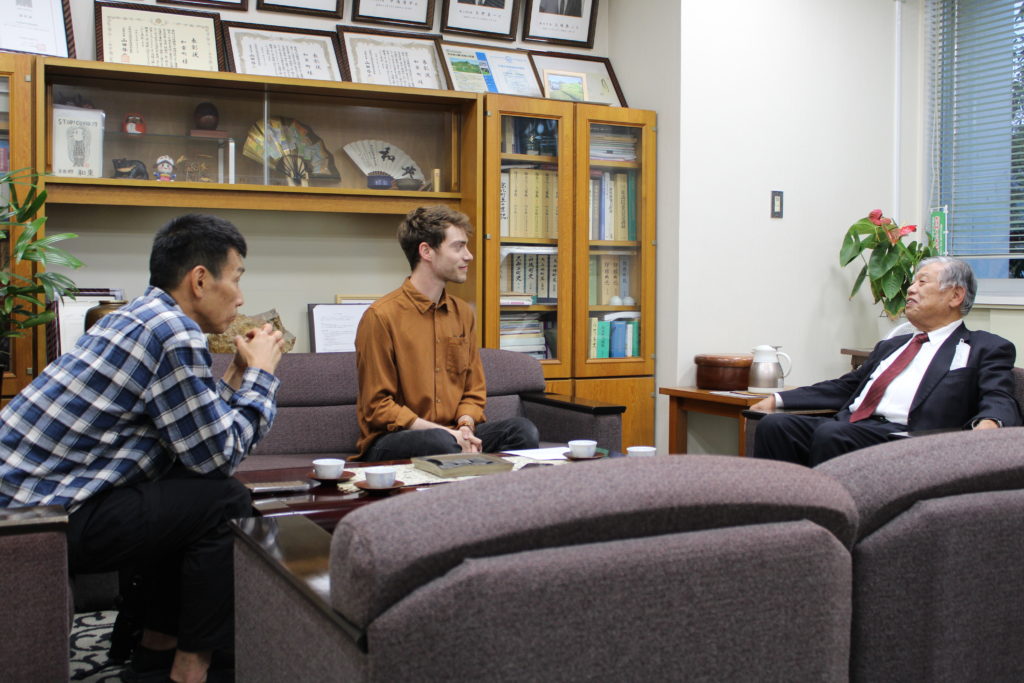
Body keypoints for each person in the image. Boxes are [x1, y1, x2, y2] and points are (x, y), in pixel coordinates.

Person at [0, 214, 284, 683]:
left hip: (27, 506)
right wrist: (263, 376)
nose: (241, 297)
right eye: (236, 279)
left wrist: (235, 374)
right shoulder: (172, 333)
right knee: (226, 500)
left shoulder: (143, 318)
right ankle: (190, 667)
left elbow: (195, 440)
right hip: (35, 521)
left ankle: (157, 647)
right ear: (199, 279)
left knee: (185, 487)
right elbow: (220, 456)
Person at [751, 256, 1020, 467]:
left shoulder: (984, 347)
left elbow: (999, 396)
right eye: (912, 282)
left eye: (922, 282)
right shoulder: (892, 346)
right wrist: (780, 399)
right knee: (776, 426)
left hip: (908, 439)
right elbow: (846, 388)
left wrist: (991, 423)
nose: (911, 289)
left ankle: (834, 524)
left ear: (955, 296)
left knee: (832, 434)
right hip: (854, 427)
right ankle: (782, 518)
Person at [355, 205, 539, 461]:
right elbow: (378, 408)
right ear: (426, 251)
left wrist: (464, 427)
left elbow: (473, 390)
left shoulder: (462, 313)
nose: (469, 256)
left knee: (522, 431)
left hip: (452, 434)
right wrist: (446, 434)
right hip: (393, 439)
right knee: (440, 441)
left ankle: (498, 495)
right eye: (458, 246)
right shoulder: (381, 316)